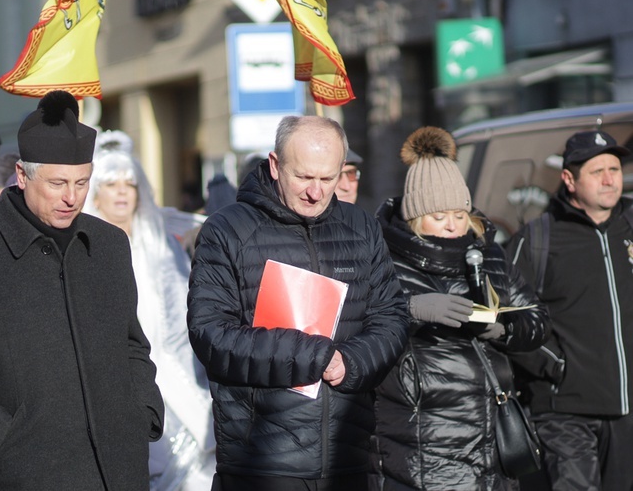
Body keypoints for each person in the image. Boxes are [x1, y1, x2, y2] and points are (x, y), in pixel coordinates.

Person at [0, 91, 164, 491]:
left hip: (119, 470)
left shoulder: (110, 244)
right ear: (23, 175)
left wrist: (142, 412)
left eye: (82, 182)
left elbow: (132, 344)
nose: (71, 197)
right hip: (22, 475)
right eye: (58, 183)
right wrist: (0, 438)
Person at [187, 115, 411, 491]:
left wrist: (353, 360)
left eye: (328, 179)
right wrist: (308, 354)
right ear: (275, 165)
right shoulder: (227, 231)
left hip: (349, 452)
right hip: (262, 460)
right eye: (304, 178)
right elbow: (210, 334)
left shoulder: (361, 227)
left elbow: (391, 318)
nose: (316, 192)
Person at [371, 126, 550, 490]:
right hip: (426, 439)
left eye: (458, 214)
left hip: (494, 437)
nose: (452, 227)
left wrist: (504, 328)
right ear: (415, 217)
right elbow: (358, 323)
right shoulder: (385, 258)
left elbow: (537, 319)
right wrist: (411, 309)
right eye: (439, 217)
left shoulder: (489, 254)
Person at [84, 130, 215, 490]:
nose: (123, 191)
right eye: (112, 184)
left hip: (174, 381)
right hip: (115, 387)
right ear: (96, 191)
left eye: (130, 183)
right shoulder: (85, 249)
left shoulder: (157, 245)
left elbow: (181, 315)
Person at [505, 130, 633, 490]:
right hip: (566, 413)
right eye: (597, 171)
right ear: (569, 179)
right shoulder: (538, 239)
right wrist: (556, 366)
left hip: (628, 413)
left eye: (614, 168)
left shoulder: (630, 226)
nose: (610, 179)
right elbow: (509, 315)